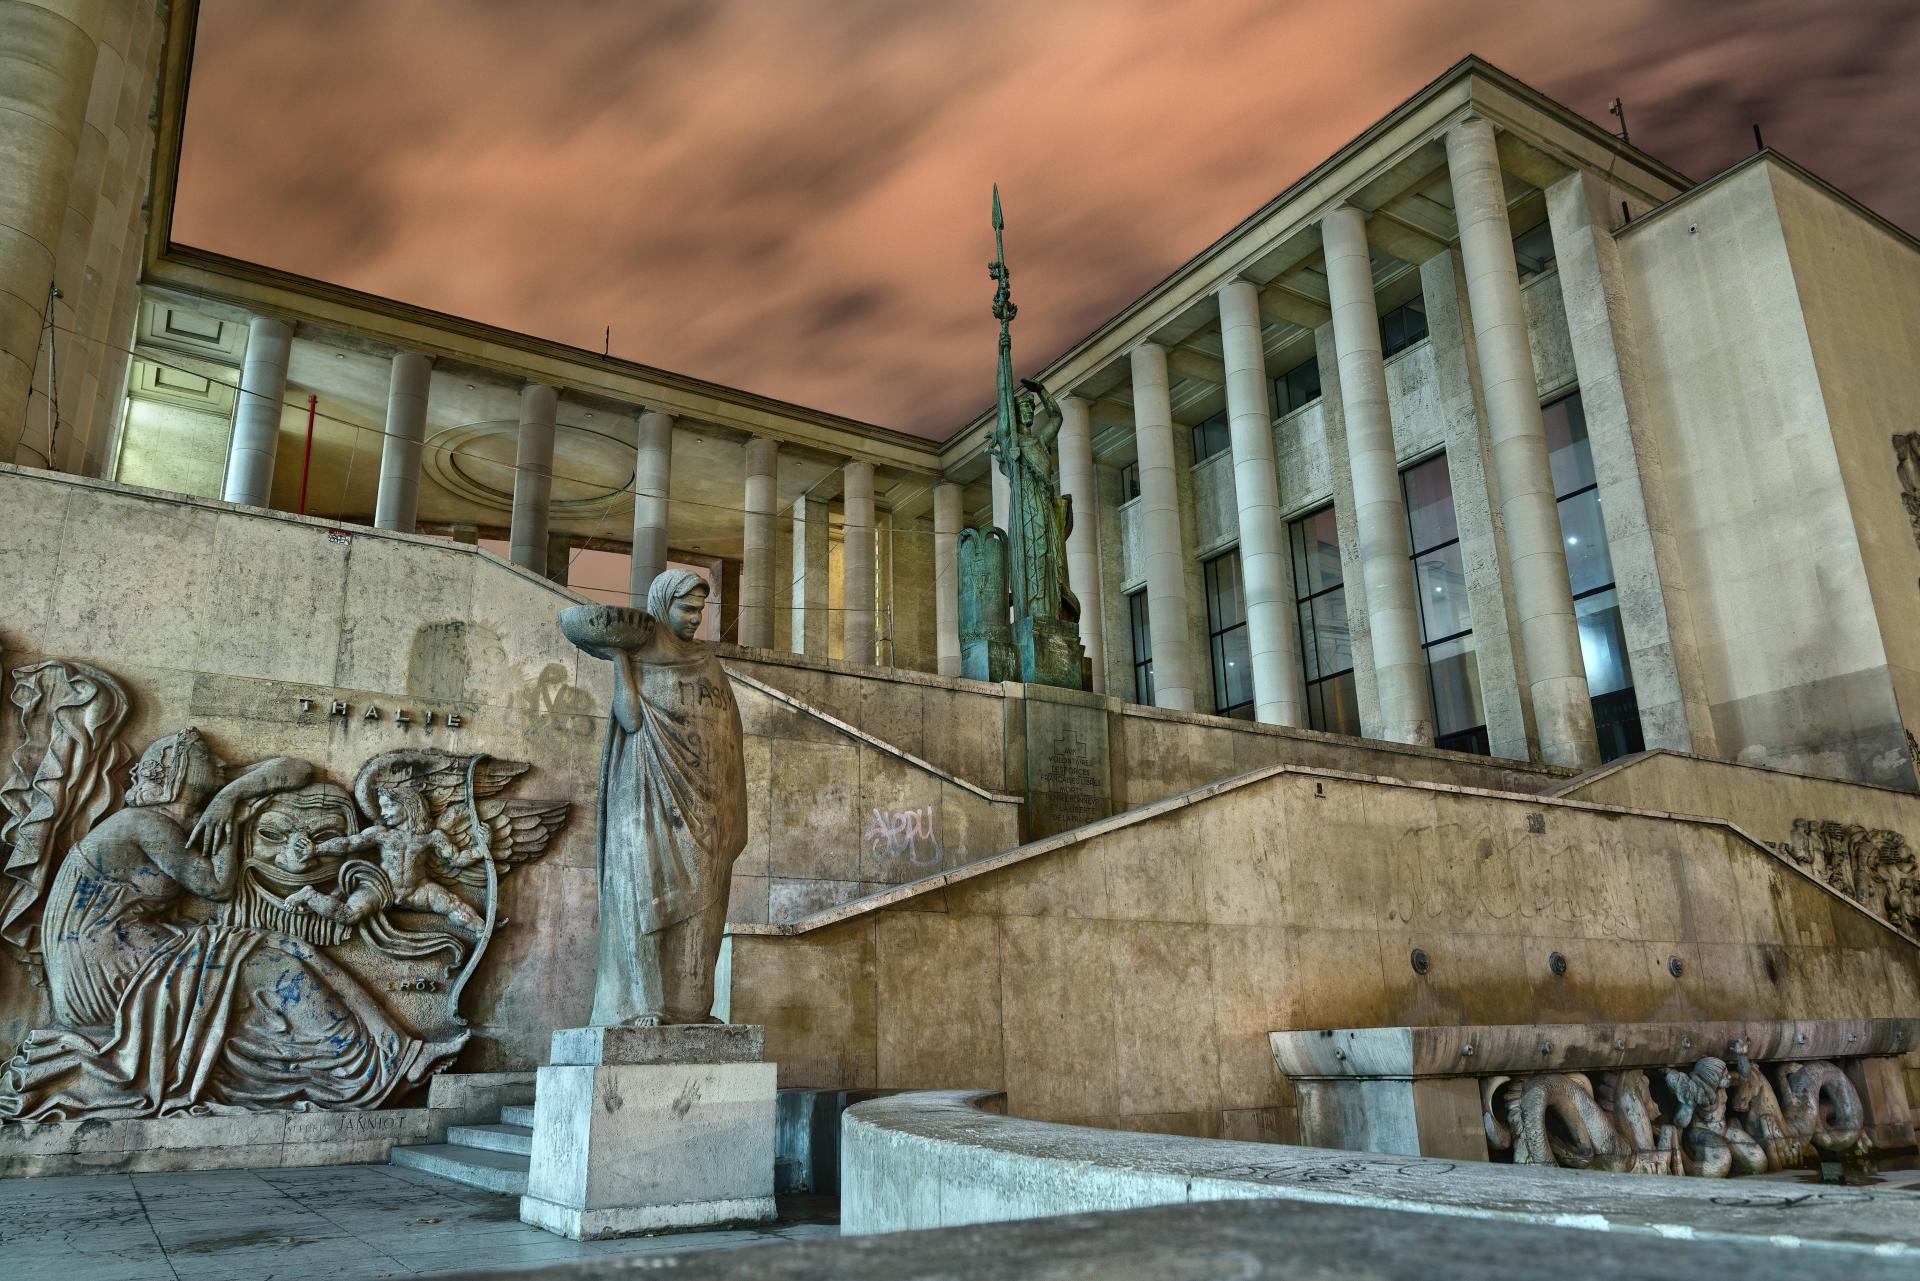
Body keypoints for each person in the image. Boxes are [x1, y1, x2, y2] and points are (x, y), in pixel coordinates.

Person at [578, 569, 748, 1026]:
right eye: (687, 609)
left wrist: (733, 806)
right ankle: (642, 1004)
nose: (696, 619)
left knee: (703, 906)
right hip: (647, 791)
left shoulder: (709, 665)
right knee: (644, 894)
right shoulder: (638, 655)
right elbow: (630, 720)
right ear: (662, 605)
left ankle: (690, 1008)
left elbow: (730, 739)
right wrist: (619, 658)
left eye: (700, 610)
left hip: (704, 805)